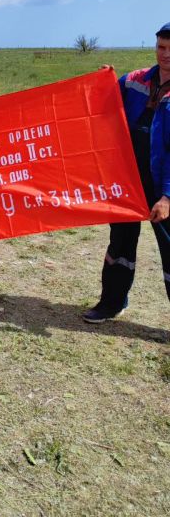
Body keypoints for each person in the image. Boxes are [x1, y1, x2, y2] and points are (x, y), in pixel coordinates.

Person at [83, 23, 170, 323]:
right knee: (119, 244)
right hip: (128, 180)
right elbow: (103, 102)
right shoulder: (135, 80)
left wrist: (167, 197)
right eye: (161, 47)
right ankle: (112, 303)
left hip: (163, 187)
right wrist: (102, 80)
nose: (165, 55)